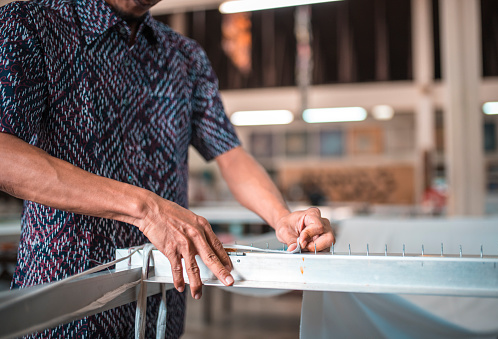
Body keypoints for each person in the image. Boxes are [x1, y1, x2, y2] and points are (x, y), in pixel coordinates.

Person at [0, 0, 335, 337]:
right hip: (65, 295)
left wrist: (281, 217)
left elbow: (230, 155)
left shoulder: (185, 56)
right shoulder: (31, 24)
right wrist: (145, 209)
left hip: (160, 298)